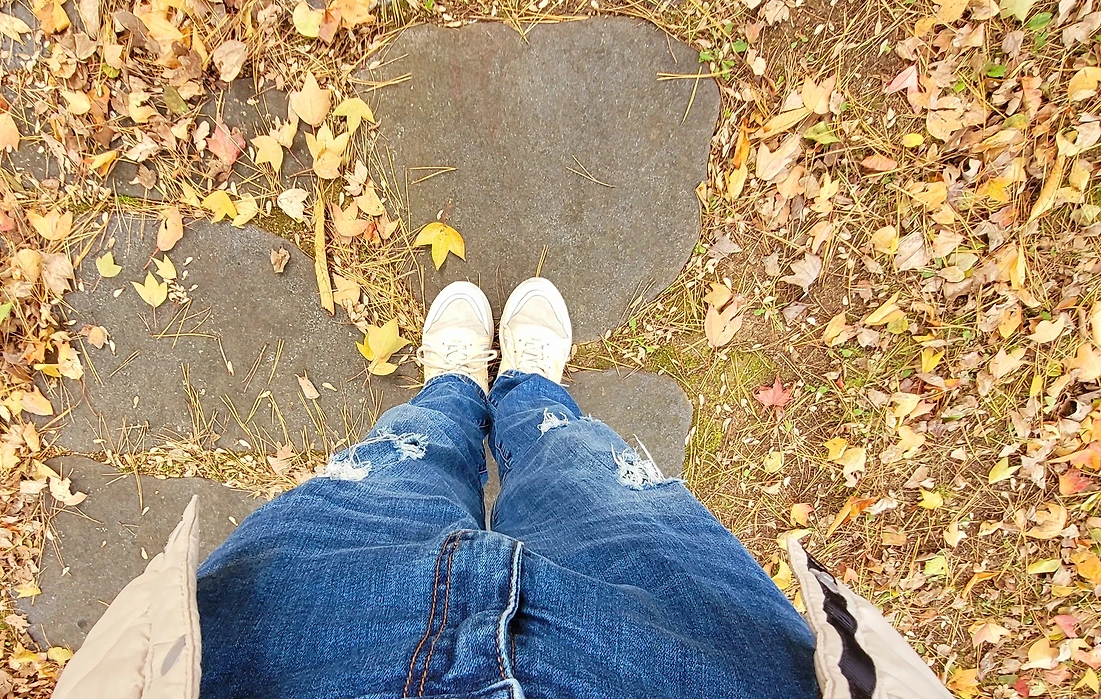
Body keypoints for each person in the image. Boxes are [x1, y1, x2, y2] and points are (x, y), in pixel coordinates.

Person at [52, 279, 953, 699]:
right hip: (698, 668)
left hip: (277, 661)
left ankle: (458, 388)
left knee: (403, 461)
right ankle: (528, 390)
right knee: (580, 472)